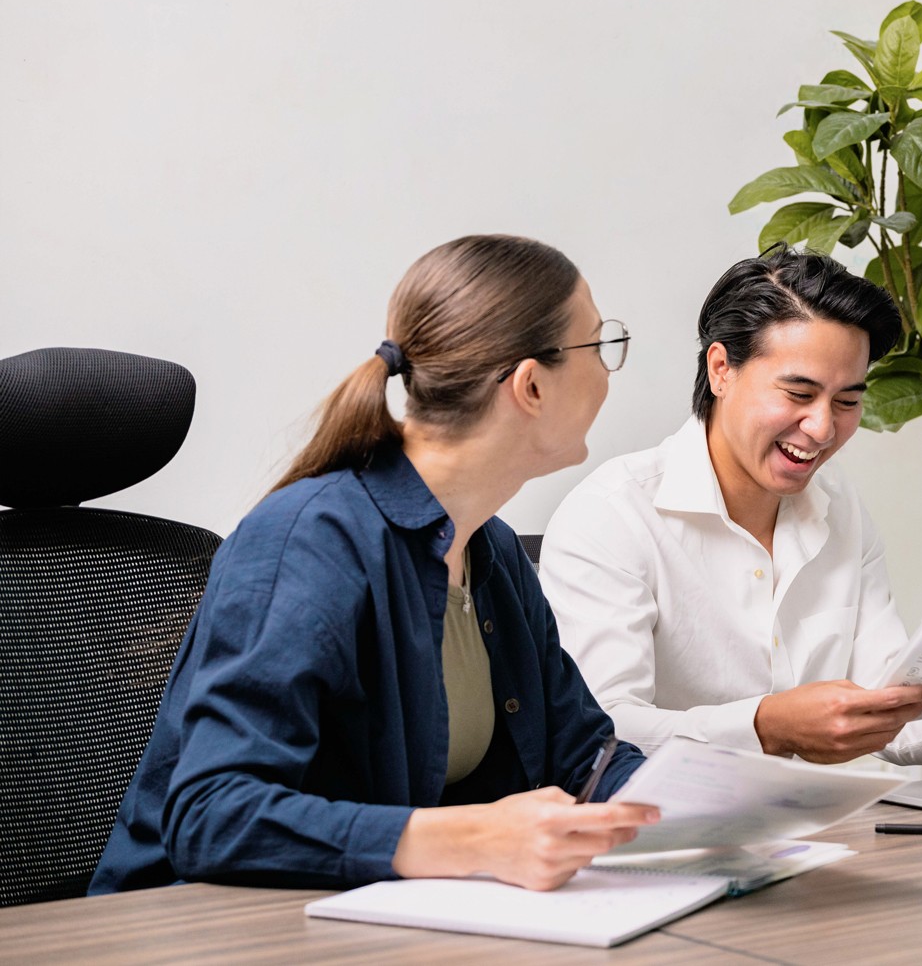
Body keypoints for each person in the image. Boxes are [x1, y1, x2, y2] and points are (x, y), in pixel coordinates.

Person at [91, 235, 657, 895]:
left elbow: (584, 756)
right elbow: (211, 816)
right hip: (204, 931)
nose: (609, 371)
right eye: (599, 345)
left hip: (383, 920)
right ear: (530, 385)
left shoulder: (490, 549)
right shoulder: (309, 542)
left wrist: (715, 809)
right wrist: (476, 840)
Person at [540, 246, 922, 767]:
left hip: (834, 832)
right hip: (676, 834)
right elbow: (602, 730)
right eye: (798, 394)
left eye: (848, 401)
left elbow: (882, 707)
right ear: (721, 369)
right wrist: (765, 726)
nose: (823, 429)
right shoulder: (612, 516)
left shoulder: (839, 505)